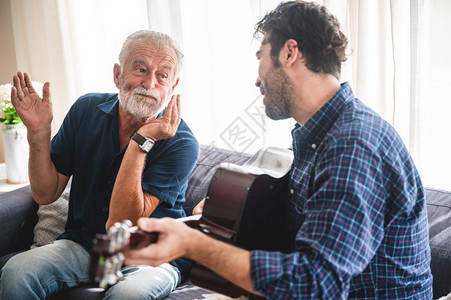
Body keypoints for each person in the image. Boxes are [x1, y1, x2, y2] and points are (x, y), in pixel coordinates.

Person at [123, 2, 433, 299]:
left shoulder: (352, 145)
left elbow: (314, 285)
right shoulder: (316, 136)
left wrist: (192, 245)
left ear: (289, 53)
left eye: (261, 56)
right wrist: (237, 209)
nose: (257, 79)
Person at [0, 30, 199, 299]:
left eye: (162, 75)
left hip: (151, 256)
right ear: (117, 74)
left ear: (173, 86)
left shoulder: (181, 142)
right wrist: (38, 133)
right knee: (17, 270)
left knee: (129, 294)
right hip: (86, 246)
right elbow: (45, 193)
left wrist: (141, 141)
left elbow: (120, 223)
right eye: (140, 69)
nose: (150, 83)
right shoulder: (85, 110)